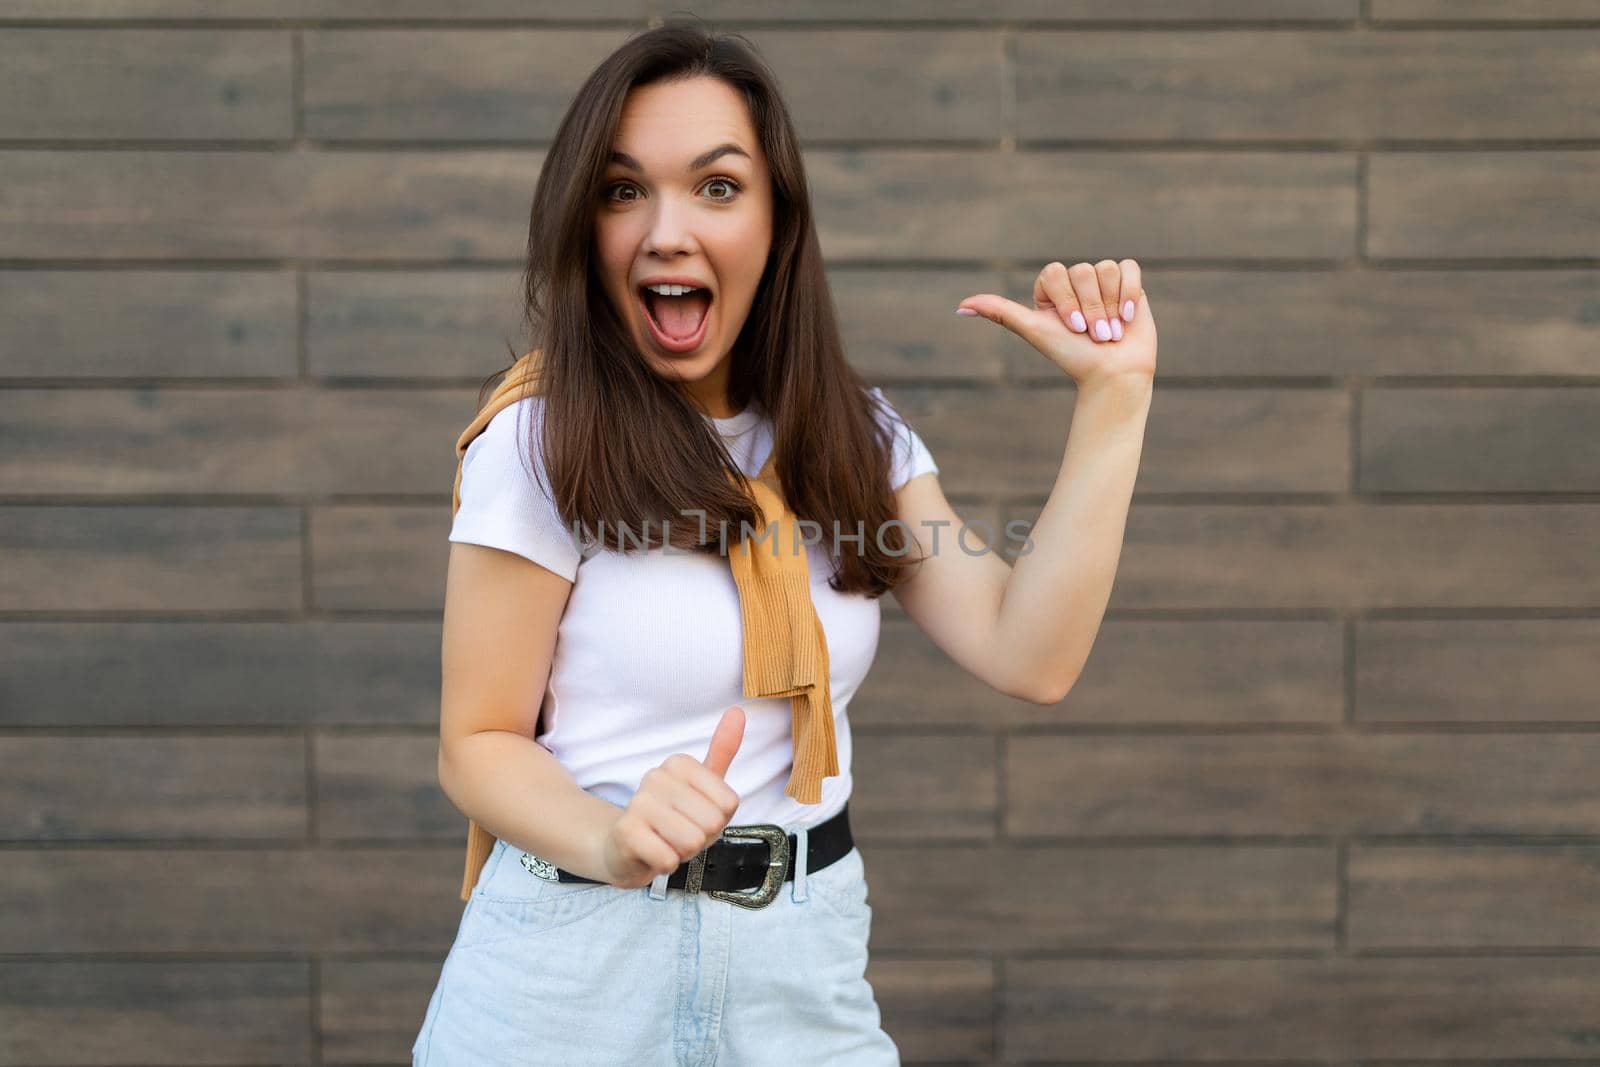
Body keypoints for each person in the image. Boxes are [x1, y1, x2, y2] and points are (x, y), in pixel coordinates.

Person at [412, 21, 1157, 1067]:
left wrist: (1115, 401)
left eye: (717, 187)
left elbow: (1027, 651)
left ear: (776, 220)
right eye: (624, 191)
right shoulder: (539, 438)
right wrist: (608, 835)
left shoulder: (855, 434)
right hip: (570, 970)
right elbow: (475, 740)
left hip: (799, 962)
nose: (668, 231)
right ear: (584, 225)